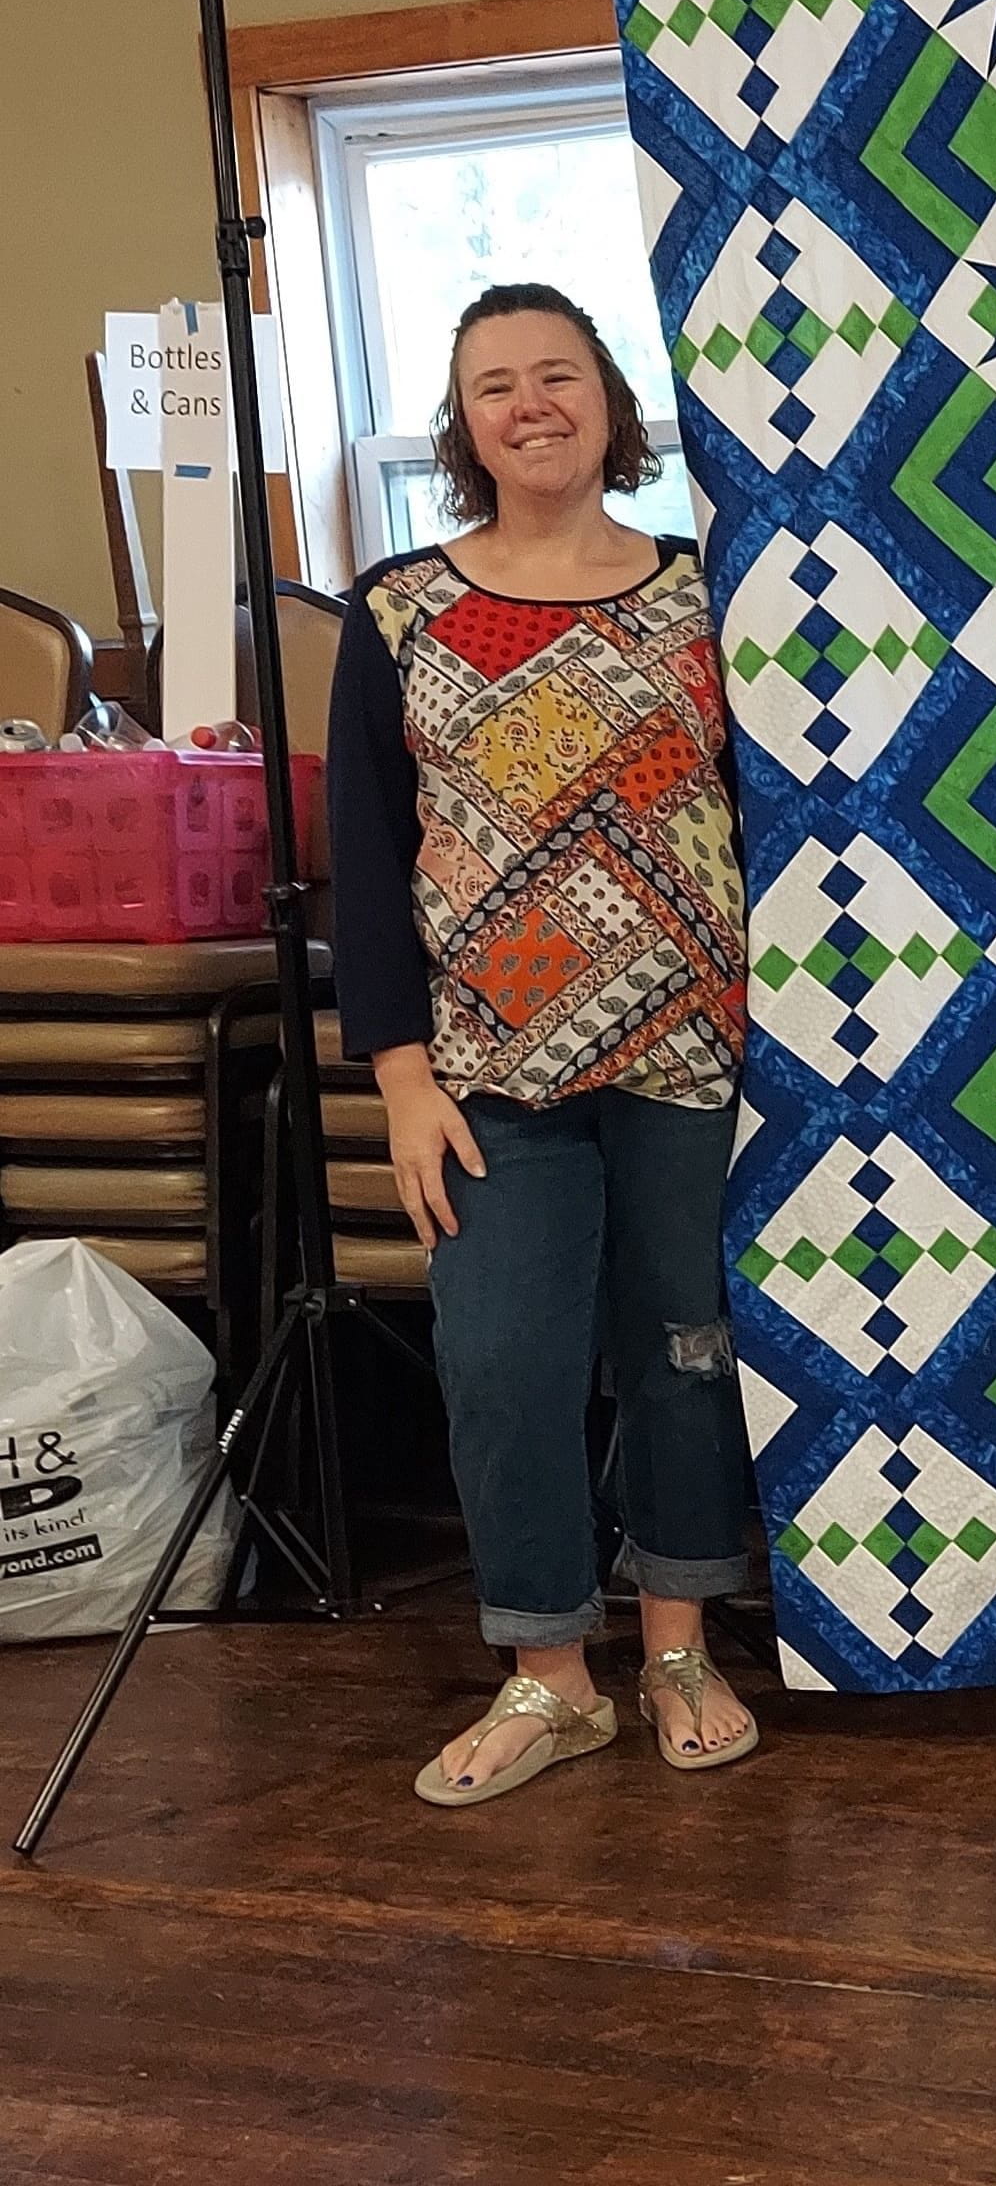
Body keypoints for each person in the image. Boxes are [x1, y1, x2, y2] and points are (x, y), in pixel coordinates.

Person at [328, 280, 763, 1806]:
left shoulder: (709, 592)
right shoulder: (396, 607)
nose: (530, 404)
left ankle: (674, 1647)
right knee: (502, 1360)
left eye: (556, 375)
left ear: (608, 399)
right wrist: (394, 1075)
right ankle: (547, 1672)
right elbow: (367, 859)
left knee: (681, 1354)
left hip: (691, 1052)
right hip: (486, 1068)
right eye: (495, 385)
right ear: (463, 423)